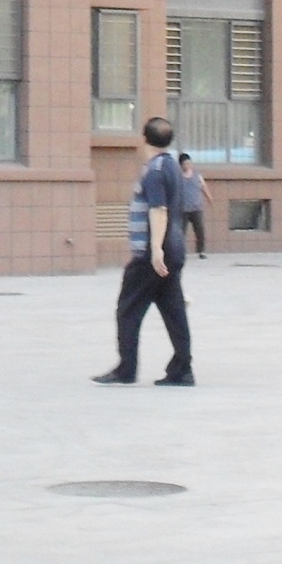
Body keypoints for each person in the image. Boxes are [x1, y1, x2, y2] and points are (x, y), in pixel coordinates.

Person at [94, 116, 193, 386]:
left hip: (153, 255)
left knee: (128, 309)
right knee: (174, 311)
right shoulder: (172, 166)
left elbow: (159, 210)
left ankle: (126, 370)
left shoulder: (155, 170)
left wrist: (155, 250)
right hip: (174, 250)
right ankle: (182, 369)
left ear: (144, 139)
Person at [178, 152, 210, 256]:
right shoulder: (178, 177)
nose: (188, 165)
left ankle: (201, 251)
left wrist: (209, 198)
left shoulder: (197, 175)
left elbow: (204, 187)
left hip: (196, 207)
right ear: (181, 165)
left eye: (189, 163)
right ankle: (180, 251)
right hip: (183, 208)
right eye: (185, 164)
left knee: (200, 230)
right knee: (181, 232)